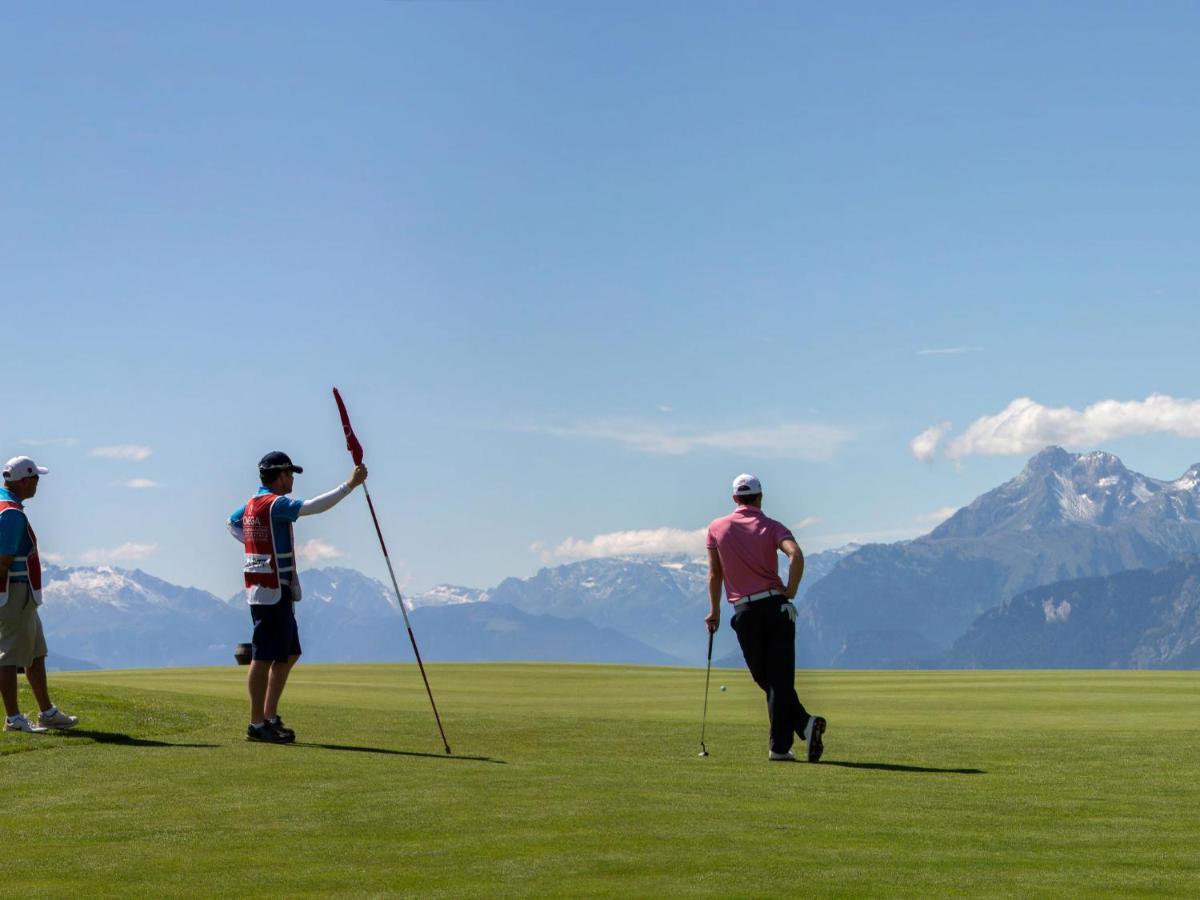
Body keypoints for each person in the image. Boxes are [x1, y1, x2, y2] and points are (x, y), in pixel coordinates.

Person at [228, 451, 367, 743]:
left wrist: (254, 545)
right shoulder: (275, 504)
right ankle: (257, 723)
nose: (292, 479)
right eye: (290, 474)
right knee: (264, 656)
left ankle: (269, 716)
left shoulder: (253, 505)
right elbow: (313, 507)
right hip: (271, 591)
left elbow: (233, 523)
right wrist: (349, 485)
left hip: (273, 588)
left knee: (290, 653)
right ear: (279, 476)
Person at [705, 473, 825, 762]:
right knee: (776, 681)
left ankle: (782, 746)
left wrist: (715, 611)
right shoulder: (773, 527)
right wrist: (791, 590)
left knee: (768, 679)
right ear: (760, 497)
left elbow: (715, 574)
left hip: (743, 612)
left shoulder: (716, 528)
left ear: (735, 498)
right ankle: (804, 726)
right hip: (776, 608)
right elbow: (795, 555)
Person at [0, 456, 79, 733]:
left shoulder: (5, 504)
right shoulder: (11, 512)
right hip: (13, 591)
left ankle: (46, 712)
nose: (37, 484)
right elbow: (3, 561)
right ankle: (14, 719)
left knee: (35, 653)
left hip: (20, 593)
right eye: (36, 479)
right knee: (8, 656)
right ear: (24, 480)